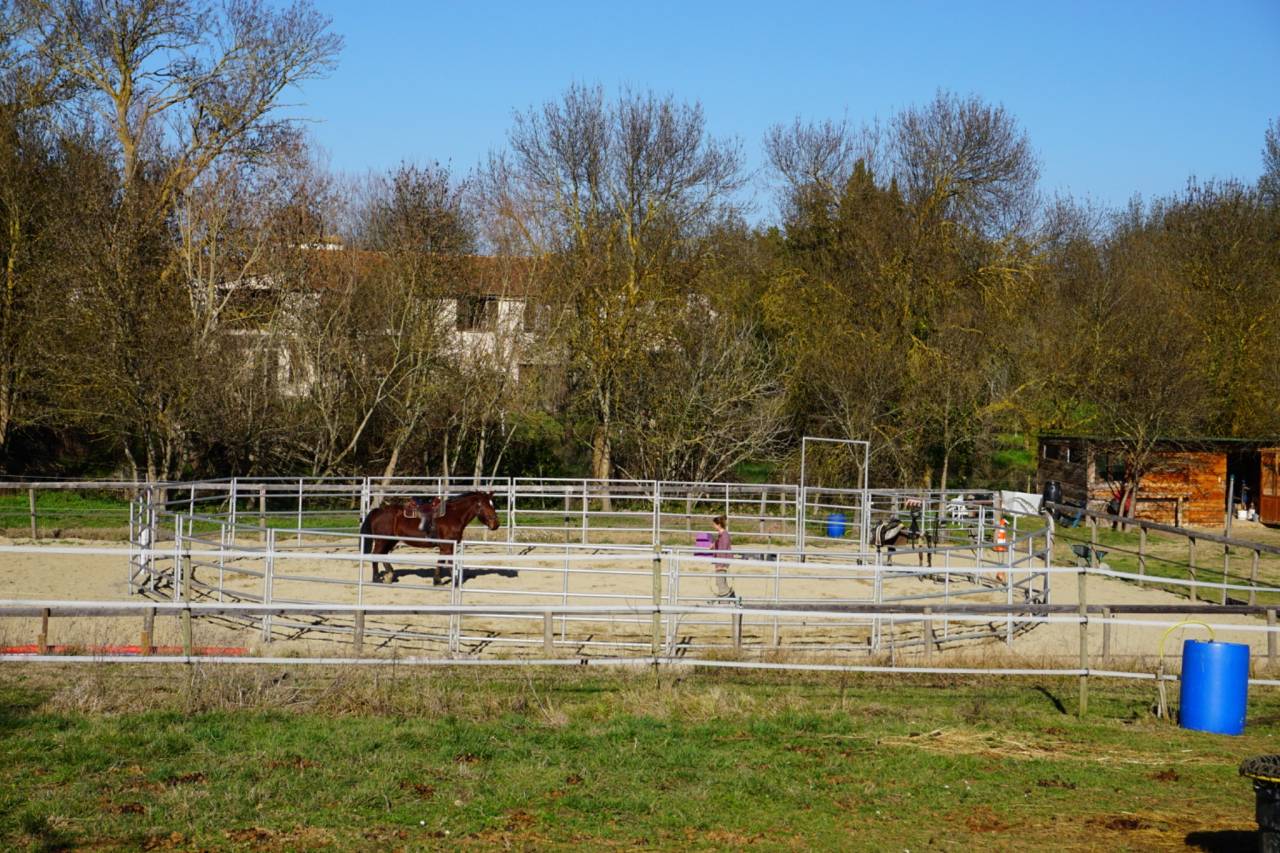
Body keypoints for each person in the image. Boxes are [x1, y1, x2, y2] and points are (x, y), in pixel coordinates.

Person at [711, 515, 734, 598]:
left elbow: (723, 550)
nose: (713, 526)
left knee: (720, 581)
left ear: (719, 525)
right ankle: (728, 597)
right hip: (720, 560)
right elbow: (719, 545)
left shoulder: (724, 535)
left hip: (722, 561)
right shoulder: (721, 535)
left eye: (714, 524)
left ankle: (727, 597)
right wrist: (713, 545)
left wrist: (721, 565)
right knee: (720, 581)